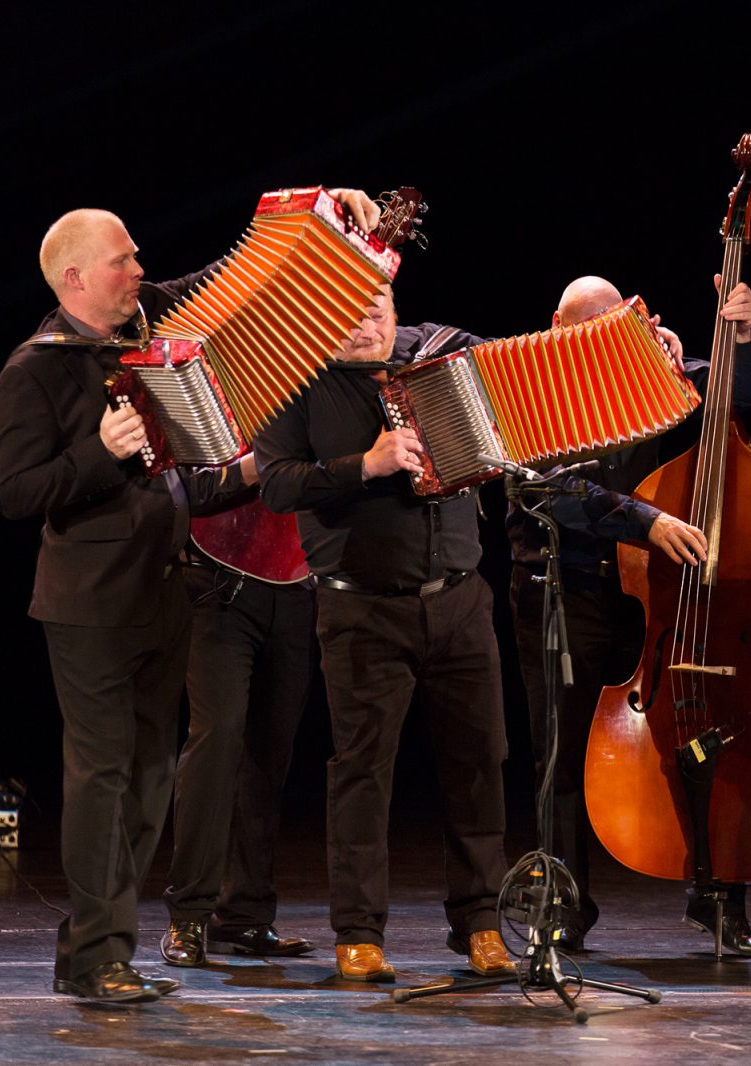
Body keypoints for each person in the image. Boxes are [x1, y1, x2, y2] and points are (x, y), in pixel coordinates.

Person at [0, 190, 380, 1003]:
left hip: (168, 592)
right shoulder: (35, 368)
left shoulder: (153, 324)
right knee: (103, 775)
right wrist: (99, 452)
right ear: (73, 278)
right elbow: (17, 492)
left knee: (149, 780)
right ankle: (102, 958)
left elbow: (236, 275)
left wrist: (321, 207)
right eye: (122, 260)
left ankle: (92, 946)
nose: (141, 269)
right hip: (90, 605)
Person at [253, 283, 514, 983]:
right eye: (348, 309)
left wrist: (659, 356)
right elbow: (277, 483)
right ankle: (359, 934)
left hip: (460, 600)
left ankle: (483, 924)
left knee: (479, 762)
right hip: (361, 609)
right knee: (363, 773)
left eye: (378, 307)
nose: (367, 321)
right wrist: (363, 467)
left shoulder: (441, 353)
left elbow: (534, 364)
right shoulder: (297, 381)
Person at [505, 274, 751, 956]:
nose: (604, 341)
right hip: (560, 587)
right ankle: (564, 903)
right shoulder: (526, 390)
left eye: (616, 326)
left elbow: (739, 399)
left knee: (697, 736)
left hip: (654, 599)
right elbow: (548, 490)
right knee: (559, 754)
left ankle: (716, 897)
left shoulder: (661, 373)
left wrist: (738, 339)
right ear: (559, 327)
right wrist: (647, 521)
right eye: (589, 327)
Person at [158, 467, 318, 968]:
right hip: (217, 580)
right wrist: (263, 461)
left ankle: (246, 915)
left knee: (271, 750)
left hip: (296, 582)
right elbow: (188, 489)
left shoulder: (325, 392)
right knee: (218, 737)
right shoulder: (216, 387)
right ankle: (189, 914)